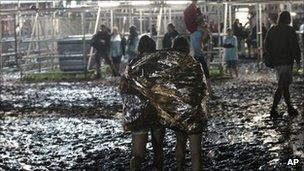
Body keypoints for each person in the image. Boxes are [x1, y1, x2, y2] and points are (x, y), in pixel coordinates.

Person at [120, 35, 165, 170]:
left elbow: (123, 88)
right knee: (158, 147)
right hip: (156, 112)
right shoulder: (159, 65)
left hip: (138, 112)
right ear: (153, 48)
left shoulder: (132, 65)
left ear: (139, 48)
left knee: (137, 154)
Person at [172, 36, 206, 171]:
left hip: (178, 111)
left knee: (180, 142)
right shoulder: (195, 65)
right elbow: (202, 89)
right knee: (196, 151)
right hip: (194, 111)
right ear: (187, 48)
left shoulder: (171, 68)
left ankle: (179, 168)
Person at [265, 11, 301, 118]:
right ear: (288, 19)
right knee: (282, 86)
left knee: (285, 86)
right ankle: (273, 109)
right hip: (286, 61)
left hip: (276, 62)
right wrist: (298, 59)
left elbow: (267, 45)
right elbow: (294, 46)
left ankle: (290, 107)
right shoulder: (290, 30)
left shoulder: (272, 30)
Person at [190, 16, 213, 96]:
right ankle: (209, 91)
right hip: (199, 55)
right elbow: (204, 41)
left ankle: (198, 91)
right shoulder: (200, 33)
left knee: (195, 74)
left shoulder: (192, 33)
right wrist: (205, 30)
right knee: (206, 73)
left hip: (193, 55)